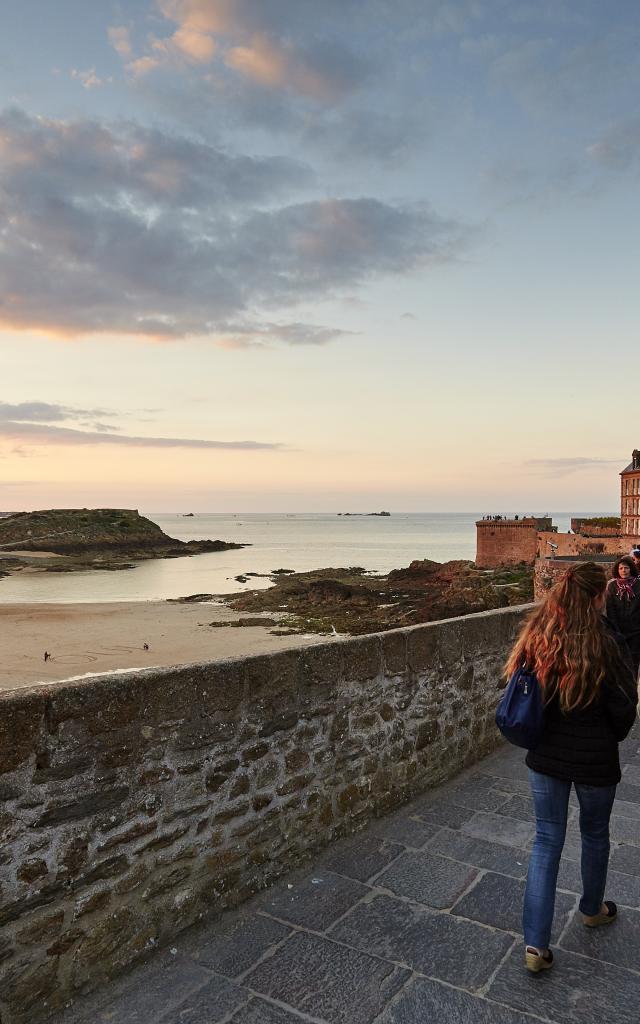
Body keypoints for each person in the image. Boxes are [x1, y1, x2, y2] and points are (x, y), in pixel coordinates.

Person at [504, 561, 638, 974]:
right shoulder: (608, 642)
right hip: (596, 756)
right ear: (599, 596)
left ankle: (535, 946)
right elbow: (623, 708)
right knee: (595, 834)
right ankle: (592, 908)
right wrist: (609, 733)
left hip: (545, 757)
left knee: (546, 842)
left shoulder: (539, 636)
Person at [606, 557, 640, 679]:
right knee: (619, 663)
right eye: (621, 568)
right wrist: (615, 629)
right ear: (617, 570)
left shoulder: (638, 585)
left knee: (634, 663)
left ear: (631, 569)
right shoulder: (612, 586)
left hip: (636, 632)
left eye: (626, 567)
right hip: (618, 631)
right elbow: (610, 608)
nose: (624, 570)